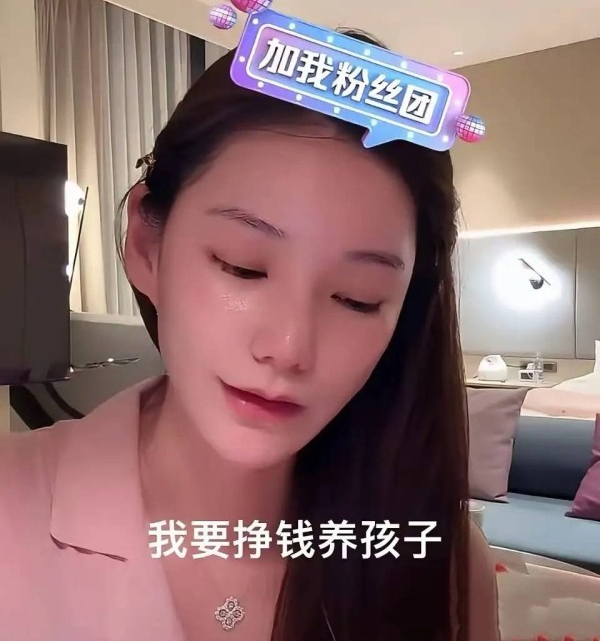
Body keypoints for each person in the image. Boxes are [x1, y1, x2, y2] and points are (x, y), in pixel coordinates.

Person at [0, 31, 500, 641]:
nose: (289, 348)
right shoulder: (12, 507)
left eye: (357, 298)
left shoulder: (441, 567)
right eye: (242, 266)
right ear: (148, 245)